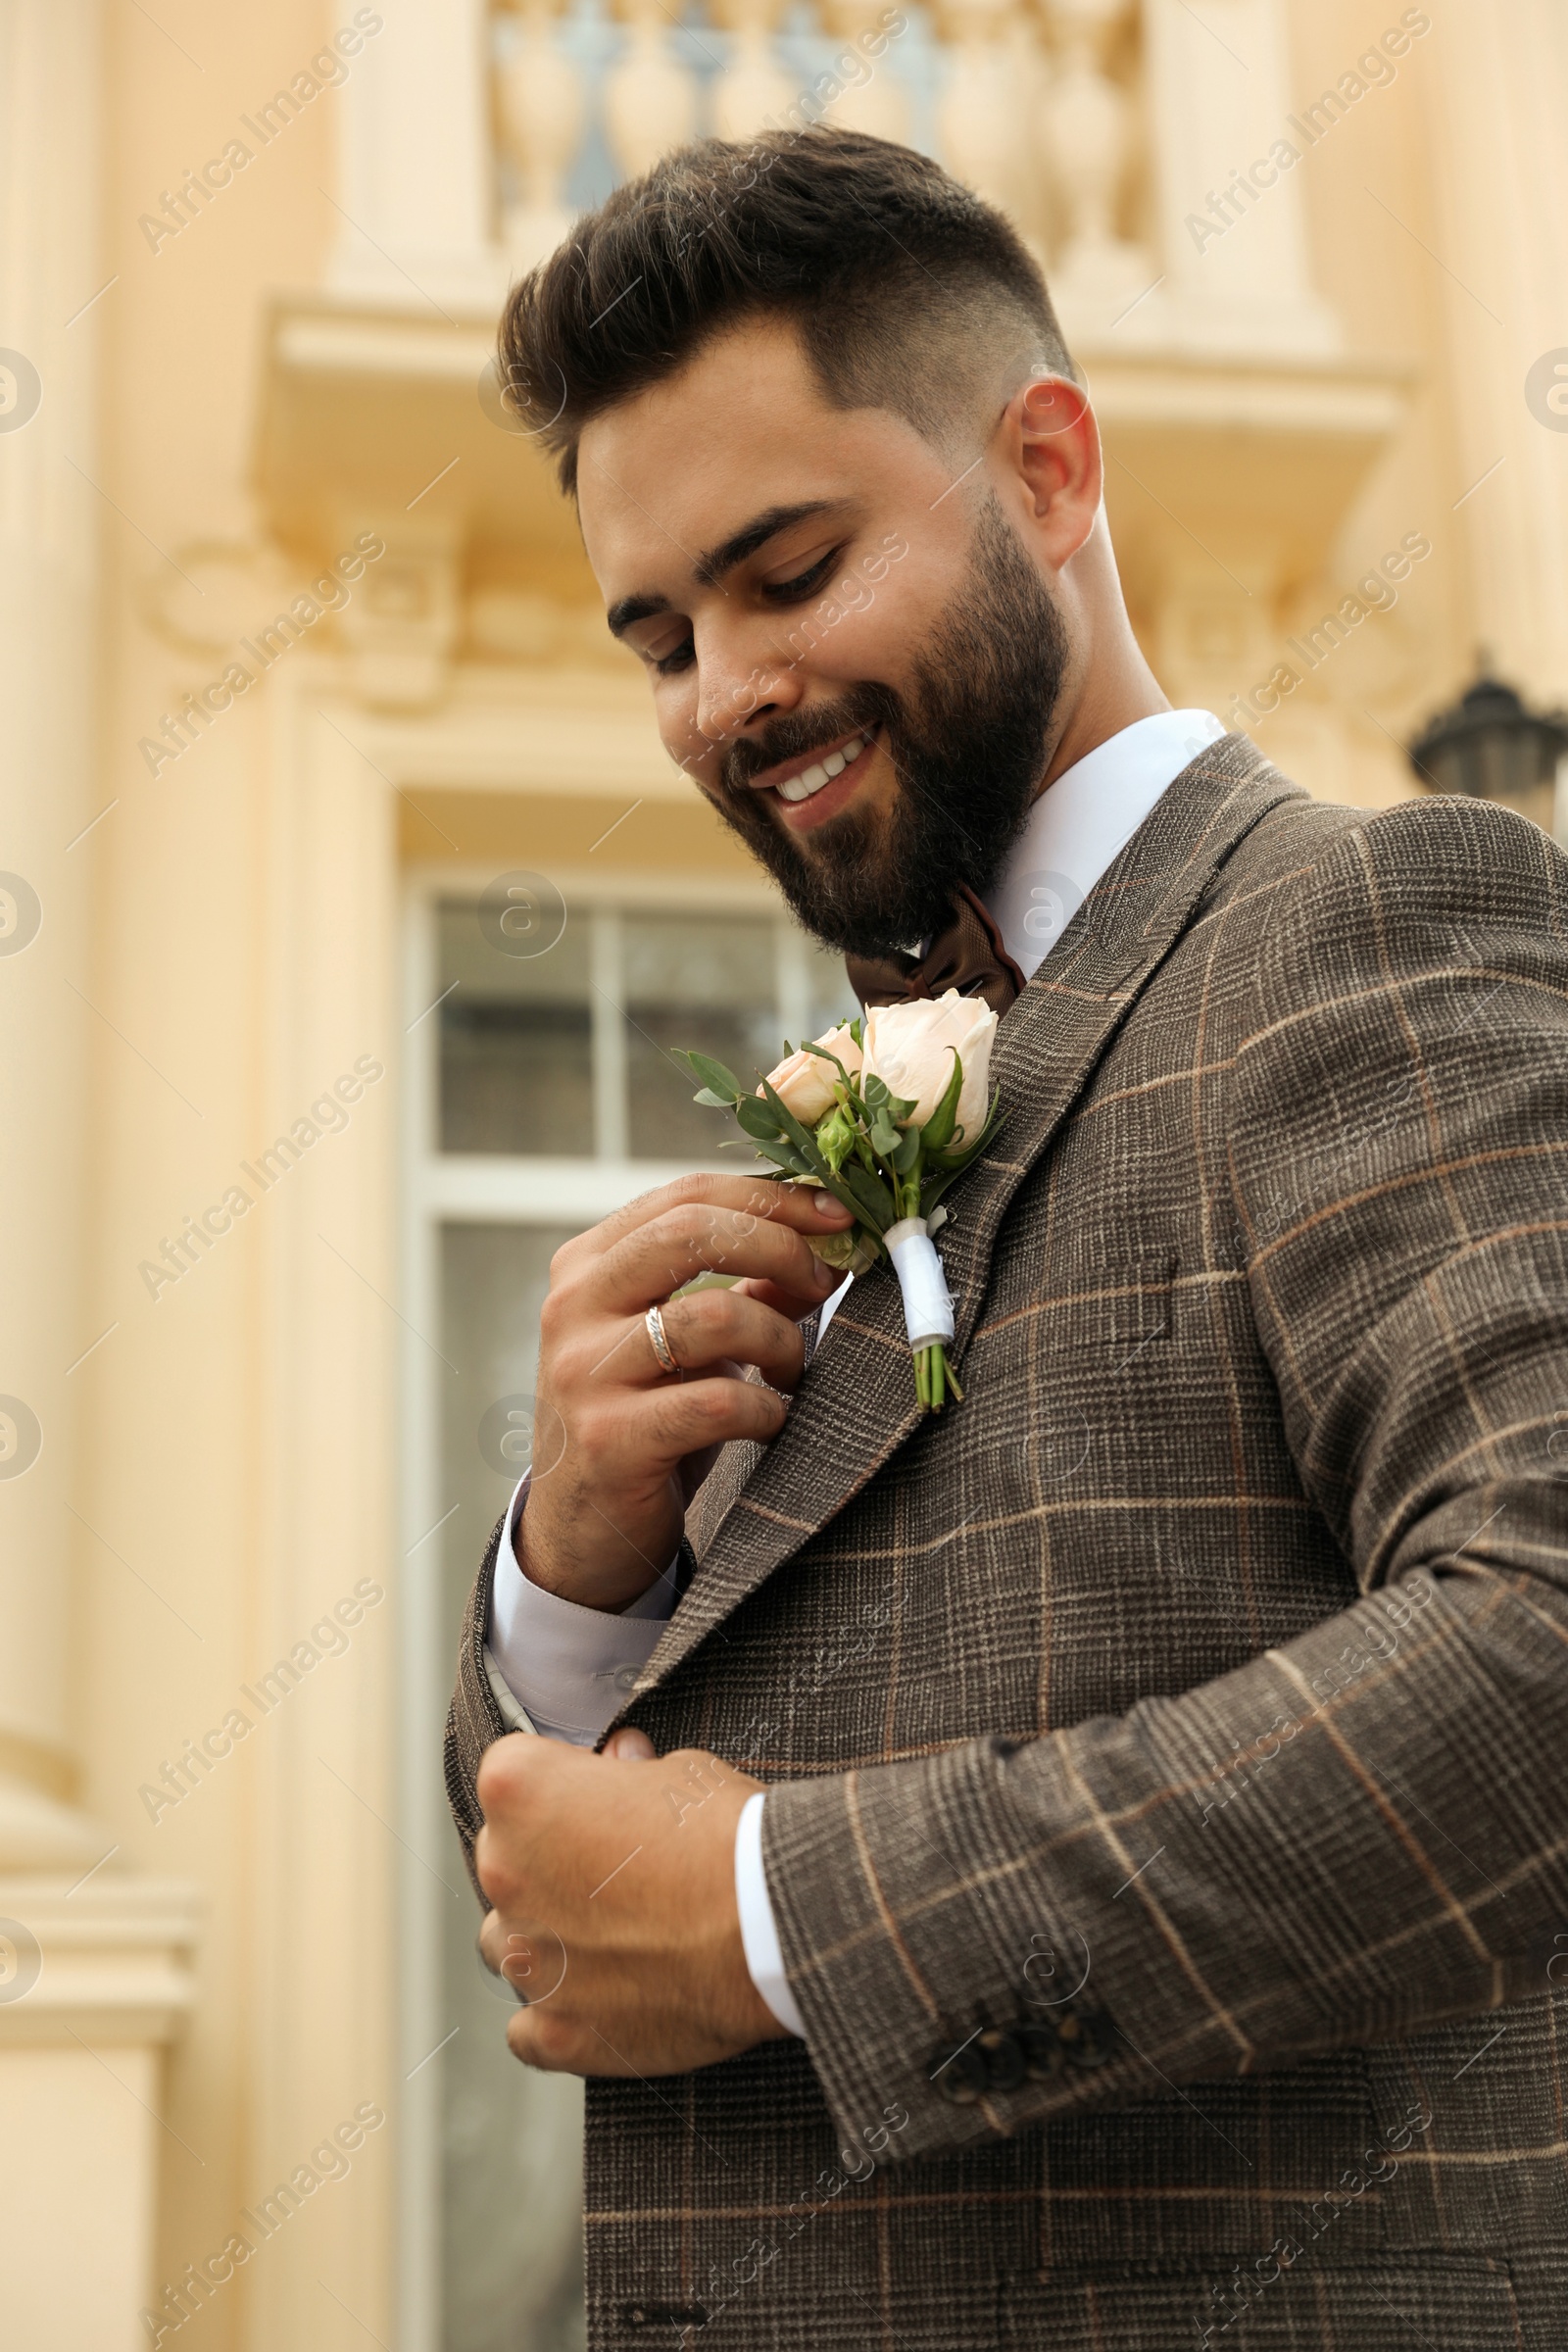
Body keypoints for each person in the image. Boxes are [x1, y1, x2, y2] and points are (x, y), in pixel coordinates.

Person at [446, 128, 1568, 2348]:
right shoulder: (862, 1103)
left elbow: (1536, 1640)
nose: (717, 695)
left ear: (1045, 471)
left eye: (785, 572)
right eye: (659, 633)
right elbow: (587, 1933)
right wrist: (572, 1575)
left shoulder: (1359, 919)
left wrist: (786, 1911)